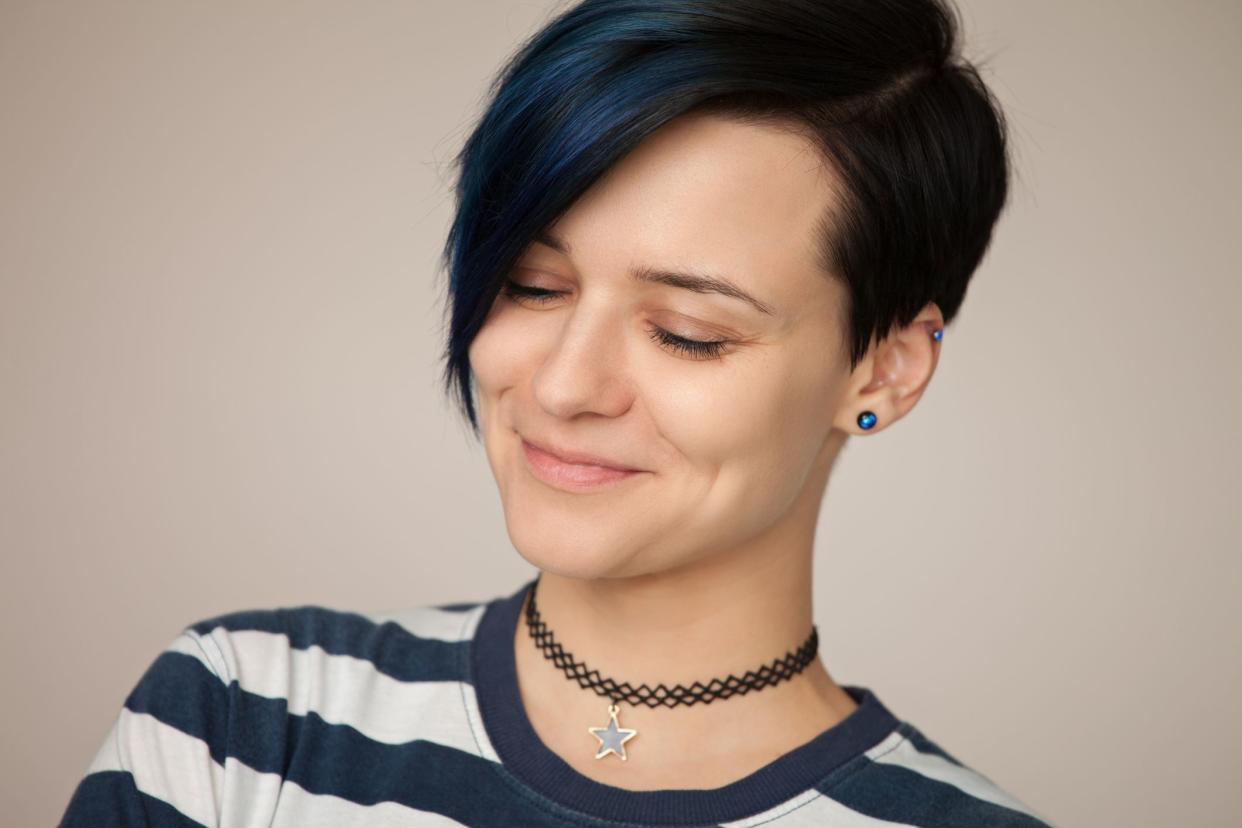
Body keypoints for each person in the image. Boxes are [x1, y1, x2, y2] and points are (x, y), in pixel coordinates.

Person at [61, 0, 1056, 825]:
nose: (565, 385)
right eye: (534, 285)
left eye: (687, 331)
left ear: (884, 371)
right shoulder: (242, 721)